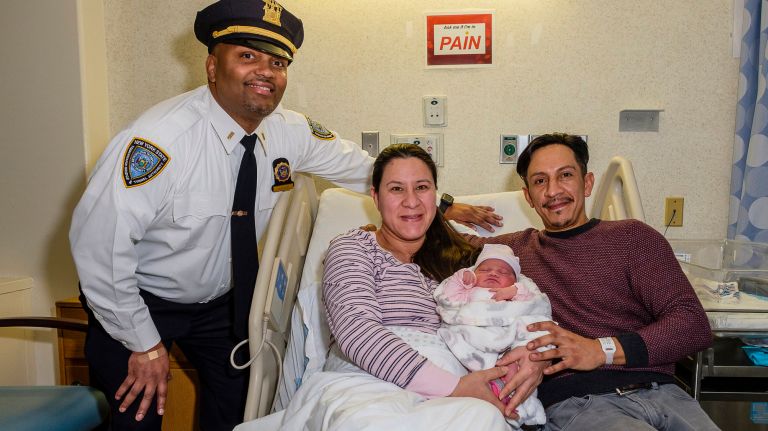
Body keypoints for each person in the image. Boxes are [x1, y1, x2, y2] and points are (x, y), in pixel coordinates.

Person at [68, 1, 500, 430]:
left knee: (233, 415)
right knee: (136, 417)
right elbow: (99, 251)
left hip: (223, 305)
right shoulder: (159, 143)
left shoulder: (289, 132)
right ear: (212, 66)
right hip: (137, 300)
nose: (265, 72)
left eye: (277, 62)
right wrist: (143, 344)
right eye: (247, 56)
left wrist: (441, 204)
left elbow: (372, 171)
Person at [470, 133, 720, 430]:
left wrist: (601, 350)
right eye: (540, 181)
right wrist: (450, 207)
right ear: (529, 197)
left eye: (565, 175)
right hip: (581, 403)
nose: (553, 191)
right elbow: (430, 233)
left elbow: (692, 323)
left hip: (666, 395)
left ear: (587, 183)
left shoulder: (633, 238)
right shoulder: (510, 254)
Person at [310, 144, 512, 429]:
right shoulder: (353, 248)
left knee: (485, 418)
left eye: (421, 187)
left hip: (452, 389)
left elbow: (514, 308)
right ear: (375, 198)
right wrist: (453, 387)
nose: (411, 201)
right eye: (396, 189)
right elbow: (358, 332)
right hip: (366, 383)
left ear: (434, 195)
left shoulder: (466, 262)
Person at [434, 243, 552, 427]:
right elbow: (448, 300)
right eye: (485, 269)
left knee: (514, 365)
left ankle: (512, 400)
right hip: (471, 337)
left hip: (506, 342)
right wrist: (461, 279)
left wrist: (514, 291)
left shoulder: (514, 296)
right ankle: (493, 391)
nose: (493, 273)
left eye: (504, 272)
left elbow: (532, 304)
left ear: (515, 280)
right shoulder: (469, 291)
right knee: (457, 368)